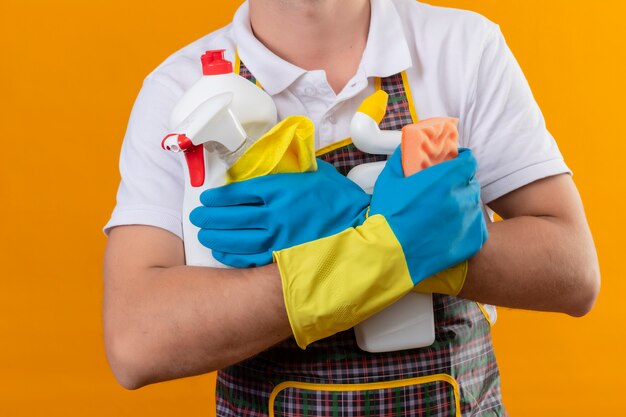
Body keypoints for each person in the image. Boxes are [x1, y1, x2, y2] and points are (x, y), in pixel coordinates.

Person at [103, 0, 600, 415]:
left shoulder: (462, 48)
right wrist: (391, 234)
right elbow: (136, 341)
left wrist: (350, 222)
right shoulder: (185, 93)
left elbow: (573, 269)